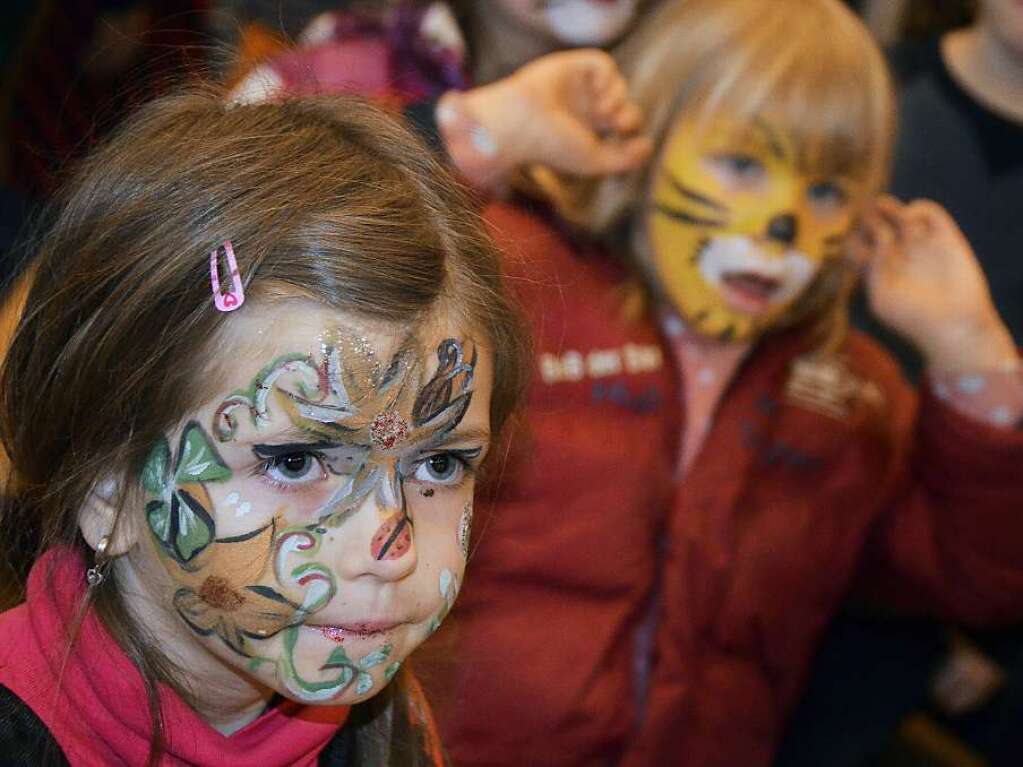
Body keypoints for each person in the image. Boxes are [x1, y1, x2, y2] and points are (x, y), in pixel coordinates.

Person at [536, 0, 1023, 764]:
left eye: (826, 192)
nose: (782, 222)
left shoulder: (850, 398)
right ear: (646, 131)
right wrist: (476, 136)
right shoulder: (527, 289)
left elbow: (976, 575)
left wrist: (974, 354)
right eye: (742, 164)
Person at [0, 90, 529, 765]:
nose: (390, 546)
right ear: (107, 489)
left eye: (439, 466)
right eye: (296, 460)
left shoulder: (387, 729)